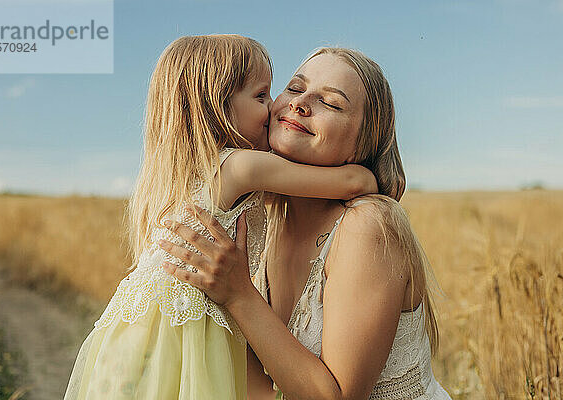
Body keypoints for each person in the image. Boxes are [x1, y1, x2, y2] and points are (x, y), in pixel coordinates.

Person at [64, 37, 378, 399]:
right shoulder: (239, 167)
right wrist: (376, 175)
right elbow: (355, 181)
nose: (274, 108)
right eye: (261, 96)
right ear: (218, 105)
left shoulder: (179, 174)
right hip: (187, 326)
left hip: (142, 330)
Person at [159, 47, 452, 399]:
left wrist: (238, 294)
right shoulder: (263, 221)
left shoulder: (367, 226)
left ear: (362, 143)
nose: (301, 103)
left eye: (330, 102)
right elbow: (263, 391)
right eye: (295, 89)